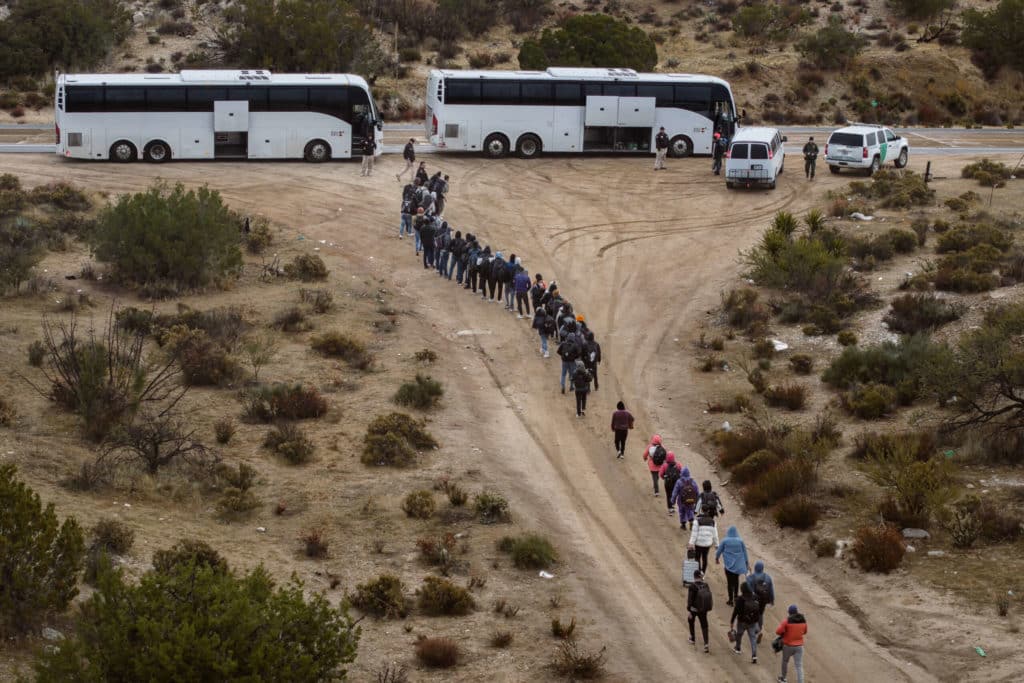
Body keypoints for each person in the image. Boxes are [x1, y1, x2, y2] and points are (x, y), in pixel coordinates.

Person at [716, 525, 749, 606]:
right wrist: (746, 562)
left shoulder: (725, 541)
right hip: (738, 566)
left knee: (730, 583)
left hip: (728, 566)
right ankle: (736, 597)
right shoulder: (740, 541)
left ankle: (730, 600)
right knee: (736, 581)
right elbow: (745, 552)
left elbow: (719, 550)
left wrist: (716, 558)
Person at [730, 582, 761, 664]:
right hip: (752, 622)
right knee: (753, 638)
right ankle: (754, 655)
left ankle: (738, 648)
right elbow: (758, 611)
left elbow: (735, 611)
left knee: (739, 634)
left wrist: (732, 621)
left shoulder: (740, 599)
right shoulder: (755, 597)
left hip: (742, 621)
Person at [776, 605, 808, 683]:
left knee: (785, 661)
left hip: (788, 646)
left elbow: (778, 631)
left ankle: (783, 679)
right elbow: (805, 632)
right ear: (797, 611)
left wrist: (785, 632)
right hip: (799, 646)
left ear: (789, 612)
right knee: (799, 666)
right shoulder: (803, 620)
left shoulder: (787, 621)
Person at [686, 569, 713, 654]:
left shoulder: (692, 586)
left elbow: (690, 600)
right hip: (703, 609)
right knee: (704, 625)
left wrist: (689, 610)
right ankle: (706, 644)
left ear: (694, 576)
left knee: (691, 621)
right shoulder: (706, 585)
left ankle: (693, 638)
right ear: (700, 576)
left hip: (694, 609)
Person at [746, 561, 775, 635]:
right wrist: (772, 600)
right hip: (763, 600)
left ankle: (755, 628)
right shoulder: (767, 577)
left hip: (754, 599)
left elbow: (747, 587)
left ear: (755, 568)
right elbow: (771, 590)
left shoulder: (751, 577)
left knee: (752, 613)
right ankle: (760, 628)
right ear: (762, 568)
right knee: (760, 614)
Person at [557, 324, 581, 394]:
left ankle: (563, 385)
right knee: (572, 374)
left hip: (564, 361)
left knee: (563, 374)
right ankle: (571, 386)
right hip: (572, 362)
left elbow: (558, 351)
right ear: (573, 338)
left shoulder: (563, 343)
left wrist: (563, 356)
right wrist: (574, 358)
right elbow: (579, 354)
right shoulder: (575, 345)